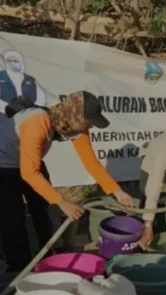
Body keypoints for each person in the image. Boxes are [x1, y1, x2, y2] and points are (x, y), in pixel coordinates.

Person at [0, 91, 133, 272]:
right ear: (75, 114)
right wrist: (62, 201)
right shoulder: (37, 120)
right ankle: (19, 270)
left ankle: (47, 257)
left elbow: (91, 162)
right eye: (89, 121)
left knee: (44, 212)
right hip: (4, 164)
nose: (90, 127)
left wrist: (117, 191)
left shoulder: (75, 125)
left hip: (29, 163)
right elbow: (29, 173)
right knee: (13, 220)